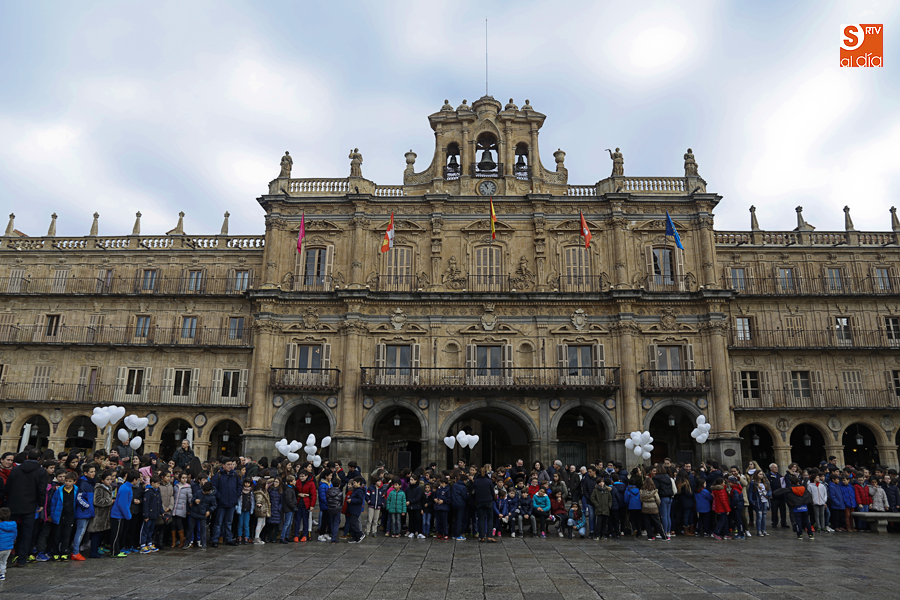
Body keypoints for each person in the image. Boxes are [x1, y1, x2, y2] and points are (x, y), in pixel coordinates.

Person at [3, 448, 46, 567]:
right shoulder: (41, 472)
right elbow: (41, 490)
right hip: (30, 505)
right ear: (38, 459)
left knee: (8, 530)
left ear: (27, 457)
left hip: (14, 504)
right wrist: (41, 504)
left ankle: (6, 557)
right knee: (27, 533)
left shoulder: (16, 470)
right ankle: (21, 559)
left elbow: (8, 487)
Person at [210, 458, 241, 547]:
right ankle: (215, 539)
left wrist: (236, 495)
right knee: (218, 522)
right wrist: (219, 496)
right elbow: (214, 487)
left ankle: (229, 539)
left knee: (228, 522)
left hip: (231, 502)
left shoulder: (234, 475)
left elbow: (239, 486)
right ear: (223, 465)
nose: (230, 466)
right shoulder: (218, 475)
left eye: (231, 464)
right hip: (221, 502)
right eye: (228, 464)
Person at [773, 474, 814, 540]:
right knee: (806, 521)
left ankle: (799, 534)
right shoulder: (803, 488)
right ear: (798, 482)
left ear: (790, 482)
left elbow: (778, 492)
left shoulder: (790, 489)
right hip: (804, 507)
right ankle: (810, 534)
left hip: (796, 507)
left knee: (798, 522)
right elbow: (808, 496)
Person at [87, 469, 115, 558]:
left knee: (102, 533)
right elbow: (97, 501)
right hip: (99, 515)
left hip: (105, 515)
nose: (109, 481)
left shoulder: (109, 488)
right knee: (96, 533)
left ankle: (98, 549)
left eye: (111, 479)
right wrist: (109, 501)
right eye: (107, 479)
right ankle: (93, 551)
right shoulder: (99, 488)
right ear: (102, 480)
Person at [110, 469, 136, 558]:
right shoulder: (126, 488)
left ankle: (116, 550)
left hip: (120, 515)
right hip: (118, 515)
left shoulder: (126, 487)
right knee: (116, 534)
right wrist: (128, 515)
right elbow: (122, 504)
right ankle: (114, 551)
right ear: (135, 479)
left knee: (118, 533)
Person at [190, 482, 217, 549]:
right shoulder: (198, 492)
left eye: (205, 491)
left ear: (209, 491)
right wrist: (195, 500)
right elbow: (192, 499)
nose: (204, 492)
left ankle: (203, 543)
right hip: (195, 512)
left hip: (203, 513)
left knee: (203, 529)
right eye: (203, 491)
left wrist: (209, 511)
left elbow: (214, 505)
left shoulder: (212, 497)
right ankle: (188, 542)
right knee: (190, 528)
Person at [640, 477, 667, 541]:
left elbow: (641, 500)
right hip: (653, 507)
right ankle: (663, 536)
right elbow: (658, 500)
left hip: (645, 507)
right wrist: (656, 505)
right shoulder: (654, 491)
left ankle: (650, 536)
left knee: (647, 523)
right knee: (658, 522)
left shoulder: (642, 491)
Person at [140, 475, 163, 553]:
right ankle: (142, 544)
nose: (158, 485)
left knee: (151, 530)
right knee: (145, 530)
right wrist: (145, 515)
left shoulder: (157, 491)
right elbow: (145, 504)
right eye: (157, 483)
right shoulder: (148, 492)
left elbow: (159, 502)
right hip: (148, 515)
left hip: (154, 514)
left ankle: (149, 543)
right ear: (152, 483)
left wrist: (161, 511)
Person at [171, 472, 193, 548]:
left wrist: (191, 505)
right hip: (174, 507)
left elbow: (190, 498)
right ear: (180, 479)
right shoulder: (176, 487)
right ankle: (174, 540)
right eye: (183, 478)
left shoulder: (188, 487)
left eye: (186, 478)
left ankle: (182, 539)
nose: (184, 479)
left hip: (182, 508)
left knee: (179, 523)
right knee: (173, 524)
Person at [294, 470, 316, 542]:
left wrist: (312, 505)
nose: (301, 478)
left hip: (306, 504)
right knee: (297, 520)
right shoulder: (297, 482)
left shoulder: (311, 483)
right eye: (300, 476)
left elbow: (313, 495)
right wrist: (298, 494)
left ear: (306, 476)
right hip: (299, 503)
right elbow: (294, 490)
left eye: (303, 476)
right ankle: (296, 535)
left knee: (305, 521)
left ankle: (305, 535)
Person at [747, 471, 770, 537]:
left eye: (762, 474)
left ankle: (763, 530)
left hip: (765, 501)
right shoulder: (753, 483)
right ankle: (759, 530)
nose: (761, 475)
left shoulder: (765, 482)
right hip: (758, 501)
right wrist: (751, 501)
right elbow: (751, 492)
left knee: (764, 516)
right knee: (759, 516)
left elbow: (769, 490)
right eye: (760, 474)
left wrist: (768, 495)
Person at [766, 463, 788, 528]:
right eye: (775, 467)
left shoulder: (780, 476)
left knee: (783, 510)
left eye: (777, 467)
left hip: (781, 496)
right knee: (774, 510)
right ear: (771, 468)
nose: (776, 468)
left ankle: (783, 522)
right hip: (774, 496)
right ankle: (774, 522)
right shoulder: (768, 476)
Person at [346, 477, 366, 543]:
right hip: (353, 509)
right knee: (352, 523)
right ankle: (355, 537)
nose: (353, 484)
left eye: (354, 483)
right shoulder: (356, 490)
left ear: (359, 483)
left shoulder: (359, 490)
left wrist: (351, 500)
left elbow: (360, 500)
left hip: (356, 510)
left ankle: (360, 534)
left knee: (353, 522)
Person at [236, 477, 254, 545]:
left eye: (248, 483)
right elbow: (238, 500)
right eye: (246, 483)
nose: (247, 484)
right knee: (240, 523)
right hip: (241, 509)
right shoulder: (241, 491)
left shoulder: (251, 492)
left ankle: (247, 536)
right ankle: (239, 536)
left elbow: (252, 502)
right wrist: (237, 507)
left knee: (246, 524)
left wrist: (252, 508)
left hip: (248, 509)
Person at [279, 475, 297, 543]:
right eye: (294, 480)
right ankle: (282, 537)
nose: (295, 481)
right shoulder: (289, 490)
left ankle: (286, 536)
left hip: (290, 509)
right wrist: (294, 507)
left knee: (290, 523)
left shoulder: (291, 489)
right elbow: (288, 500)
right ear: (291, 482)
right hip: (288, 509)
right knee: (287, 523)